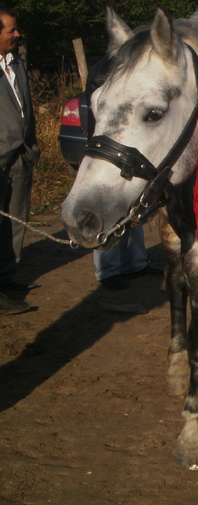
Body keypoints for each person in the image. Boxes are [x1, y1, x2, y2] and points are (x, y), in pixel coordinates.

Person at [84, 55, 162, 290]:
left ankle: (136, 263)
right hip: (110, 151)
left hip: (130, 151)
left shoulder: (128, 66)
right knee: (108, 208)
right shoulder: (107, 66)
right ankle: (108, 270)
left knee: (134, 209)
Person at [0, 7, 39, 314]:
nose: (17, 34)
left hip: (21, 157)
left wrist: (33, 147)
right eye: (11, 30)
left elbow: (28, 111)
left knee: (16, 220)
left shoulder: (19, 65)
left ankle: (7, 277)